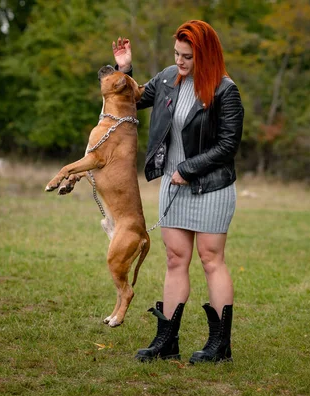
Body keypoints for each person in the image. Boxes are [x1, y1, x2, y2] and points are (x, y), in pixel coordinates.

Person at [112, 20, 244, 363]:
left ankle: (220, 346)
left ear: (206, 55)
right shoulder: (170, 77)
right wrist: (125, 70)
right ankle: (167, 341)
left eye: (187, 56)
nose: (180, 61)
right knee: (174, 260)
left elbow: (228, 145)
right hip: (174, 186)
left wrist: (188, 169)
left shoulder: (224, 90)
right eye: (177, 54)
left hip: (212, 187)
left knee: (211, 260)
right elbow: (136, 98)